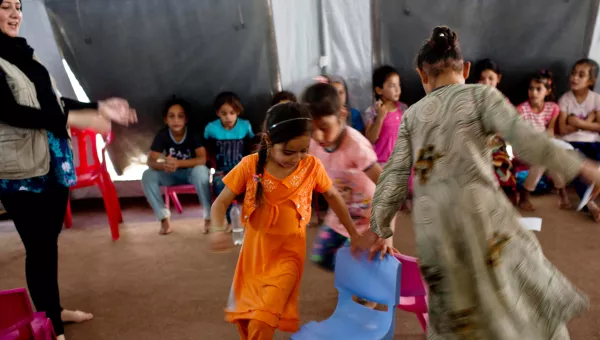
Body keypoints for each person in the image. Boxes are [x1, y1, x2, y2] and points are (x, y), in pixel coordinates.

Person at [365, 26, 596, 339]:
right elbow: (528, 140)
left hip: (440, 234)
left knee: (455, 313)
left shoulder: (413, 115)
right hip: (487, 223)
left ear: (422, 75)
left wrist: (382, 229)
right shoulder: (481, 95)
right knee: (518, 293)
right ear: (467, 69)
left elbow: (392, 177)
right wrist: (583, 168)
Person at [0, 1, 137, 339]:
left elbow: (53, 102)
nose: (16, 13)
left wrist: (97, 106)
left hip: (53, 159)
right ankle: (52, 326)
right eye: (5, 6)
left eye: (18, 7)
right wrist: (72, 119)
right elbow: (10, 112)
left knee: (49, 242)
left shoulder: (26, 55)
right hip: (20, 168)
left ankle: (52, 310)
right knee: (38, 245)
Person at [208, 102, 369, 339]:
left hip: (288, 258)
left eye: (304, 150)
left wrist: (354, 233)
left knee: (263, 321)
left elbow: (333, 196)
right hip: (254, 259)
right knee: (248, 320)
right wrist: (217, 229)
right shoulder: (250, 166)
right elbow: (219, 203)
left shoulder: (311, 167)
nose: (297, 158)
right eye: (288, 151)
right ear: (269, 141)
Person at [302, 82, 388, 271]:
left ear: (341, 115)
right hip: (341, 219)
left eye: (324, 127)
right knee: (322, 257)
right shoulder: (314, 145)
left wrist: (384, 233)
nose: (317, 136)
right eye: (311, 128)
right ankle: (356, 278)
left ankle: (365, 286)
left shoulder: (355, 145)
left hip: (370, 220)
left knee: (369, 271)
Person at [142, 97, 211, 234]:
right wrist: (164, 165)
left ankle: (209, 218)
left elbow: (202, 159)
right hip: (171, 174)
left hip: (191, 174)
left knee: (201, 170)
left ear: (186, 119)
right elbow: (150, 161)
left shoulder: (193, 134)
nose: (176, 120)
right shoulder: (162, 135)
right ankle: (164, 219)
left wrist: (178, 163)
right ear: (165, 119)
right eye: (171, 116)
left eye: (180, 116)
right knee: (147, 175)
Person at [517, 69, 571, 211]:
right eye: (531, 89)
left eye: (538, 89)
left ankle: (557, 191)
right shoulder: (522, 109)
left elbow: (550, 131)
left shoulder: (552, 108)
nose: (533, 93)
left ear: (547, 91)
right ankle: (526, 194)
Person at [557, 58, 600, 220]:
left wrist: (579, 122)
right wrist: (589, 121)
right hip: (572, 142)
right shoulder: (565, 99)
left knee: (595, 168)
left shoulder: (596, 99)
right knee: (579, 168)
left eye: (581, 75)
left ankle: (594, 187)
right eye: (573, 73)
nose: (574, 78)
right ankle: (591, 204)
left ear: (591, 81)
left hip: (595, 142)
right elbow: (562, 129)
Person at [204, 91, 254, 224]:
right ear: (217, 113)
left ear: (238, 112)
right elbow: (206, 151)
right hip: (222, 171)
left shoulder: (245, 126)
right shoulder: (211, 128)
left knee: (257, 182)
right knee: (220, 184)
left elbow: (252, 148)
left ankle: (252, 218)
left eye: (232, 113)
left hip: (243, 169)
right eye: (223, 113)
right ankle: (231, 220)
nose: (228, 117)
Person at [474, 58, 518, 205]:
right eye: (481, 79)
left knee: (502, 164)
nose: (486, 83)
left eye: (491, 78)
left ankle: (505, 197)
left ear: (498, 78)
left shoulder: (503, 101)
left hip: (497, 145)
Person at [363, 65, 409, 164]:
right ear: (379, 90)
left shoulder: (403, 109)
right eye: (392, 85)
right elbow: (370, 140)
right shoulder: (372, 111)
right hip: (381, 164)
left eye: (398, 84)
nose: (397, 89)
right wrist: (380, 117)